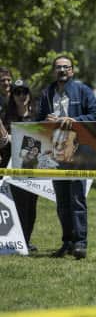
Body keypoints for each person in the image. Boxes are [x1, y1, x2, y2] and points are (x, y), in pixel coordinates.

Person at [37, 56, 96, 260]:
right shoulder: (47, 93)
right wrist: (45, 120)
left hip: (77, 151)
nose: (62, 70)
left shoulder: (83, 90)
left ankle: (80, 243)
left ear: (72, 71)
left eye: (66, 67)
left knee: (76, 198)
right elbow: (38, 121)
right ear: (54, 71)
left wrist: (75, 120)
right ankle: (67, 242)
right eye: (59, 67)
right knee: (62, 200)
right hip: (54, 153)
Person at [0, 80, 38, 251]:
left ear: (29, 95)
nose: (21, 96)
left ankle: (26, 240)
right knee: (16, 205)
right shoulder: (5, 118)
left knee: (31, 205)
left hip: (33, 169)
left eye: (24, 92)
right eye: (17, 92)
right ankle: (17, 241)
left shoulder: (37, 116)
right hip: (11, 168)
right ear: (12, 96)